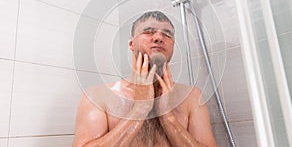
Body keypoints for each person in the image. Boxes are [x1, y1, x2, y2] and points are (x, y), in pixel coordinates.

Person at [73, 11, 217, 147]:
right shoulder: (99, 97)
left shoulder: (191, 97)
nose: (159, 38)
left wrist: (168, 118)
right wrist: (139, 110)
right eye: (149, 31)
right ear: (131, 44)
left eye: (167, 34)